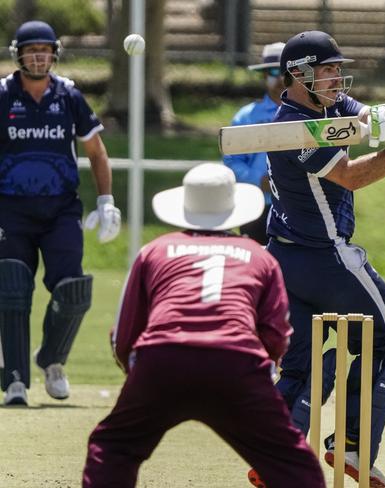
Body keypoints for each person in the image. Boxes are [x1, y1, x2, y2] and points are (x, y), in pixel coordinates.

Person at [82, 163, 325, 488]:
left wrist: (138, 375)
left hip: (163, 360)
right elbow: (276, 333)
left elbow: (125, 332)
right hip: (237, 363)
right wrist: (260, 372)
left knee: (113, 447)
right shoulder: (258, 255)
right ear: (234, 210)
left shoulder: (154, 250)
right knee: (293, 465)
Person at [264, 30, 385, 487]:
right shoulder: (292, 128)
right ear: (298, 75)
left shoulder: (329, 105)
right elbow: (349, 177)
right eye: (327, 70)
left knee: (299, 364)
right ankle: (352, 448)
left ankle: (274, 457)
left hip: (282, 260)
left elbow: (358, 115)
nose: (337, 78)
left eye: (339, 69)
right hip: (326, 256)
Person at [0, 20, 121, 406]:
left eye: (45, 49)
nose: (39, 56)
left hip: (59, 210)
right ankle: (15, 379)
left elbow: (96, 151)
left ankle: (52, 360)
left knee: (72, 290)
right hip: (11, 209)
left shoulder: (68, 95)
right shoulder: (2, 95)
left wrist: (106, 201)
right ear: (18, 54)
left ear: (55, 53)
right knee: (12, 287)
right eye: (31, 49)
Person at [223, 42, 285, 244]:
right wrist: (259, 181)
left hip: (296, 206)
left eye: (288, 71)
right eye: (275, 71)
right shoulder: (246, 117)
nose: (282, 78)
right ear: (264, 75)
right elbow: (232, 163)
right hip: (255, 204)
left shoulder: (308, 117)